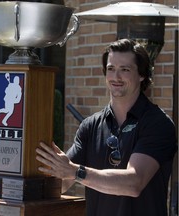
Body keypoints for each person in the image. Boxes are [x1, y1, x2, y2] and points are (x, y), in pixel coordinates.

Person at [36, 39, 177, 216]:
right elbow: (62, 183)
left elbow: (134, 183)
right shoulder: (90, 126)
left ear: (142, 74)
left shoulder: (157, 124)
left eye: (124, 70)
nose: (116, 77)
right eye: (111, 69)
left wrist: (76, 171)